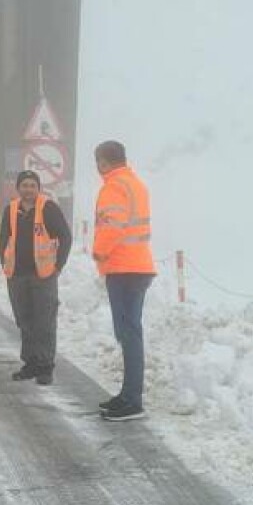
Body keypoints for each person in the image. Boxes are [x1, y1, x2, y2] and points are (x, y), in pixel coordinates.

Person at [92, 141, 156, 420]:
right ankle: (128, 394)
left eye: (97, 162)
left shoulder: (113, 186)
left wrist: (99, 251)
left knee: (128, 334)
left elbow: (112, 225)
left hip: (122, 268)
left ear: (103, 161)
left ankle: (133, 401)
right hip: (138, 266)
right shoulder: (136, 184)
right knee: (130, 332)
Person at [0, 169, 72, 386]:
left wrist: (58, 266)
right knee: (25, 320)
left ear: (38, 188)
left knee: (45, 322)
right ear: (18, 188)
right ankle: (29, 364)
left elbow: (65, 237)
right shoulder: (11, 210)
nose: (28, 189)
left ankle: (45, 366)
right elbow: (3, 239)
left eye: (32, 185)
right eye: (24, 185)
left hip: (43, 276)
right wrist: (5, 262)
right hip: (17, 276)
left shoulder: (48, 208)